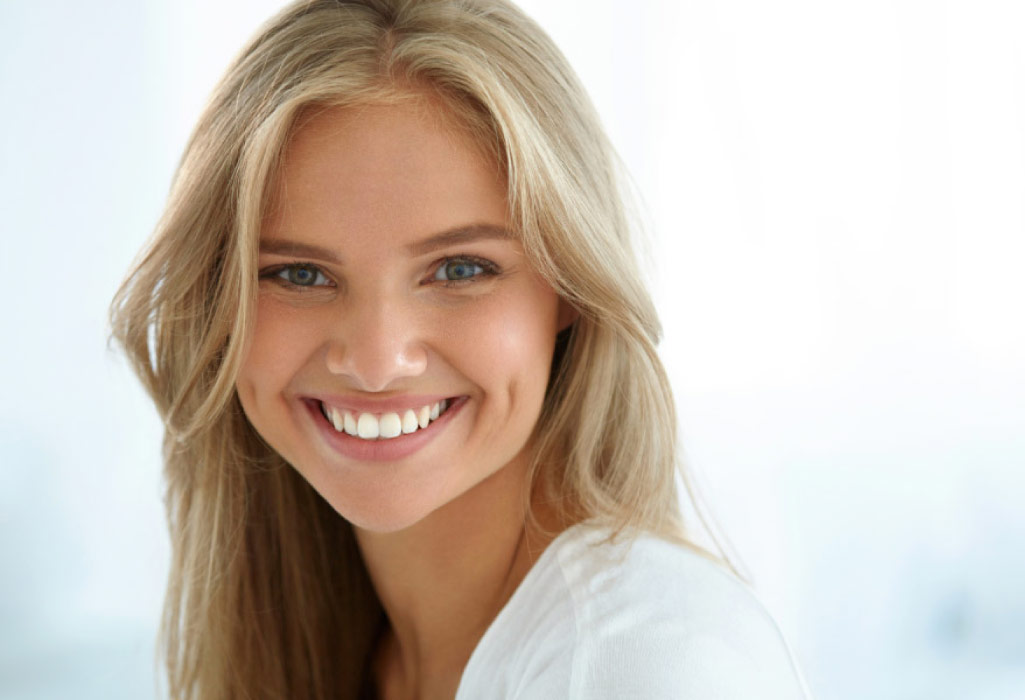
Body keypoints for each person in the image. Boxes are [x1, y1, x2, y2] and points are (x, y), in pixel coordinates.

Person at [110, 0, 814, 698]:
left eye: (459, 269)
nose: (377, 361)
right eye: (298, 274)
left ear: (570, 288)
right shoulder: (344, 645)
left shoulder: (640, 668)